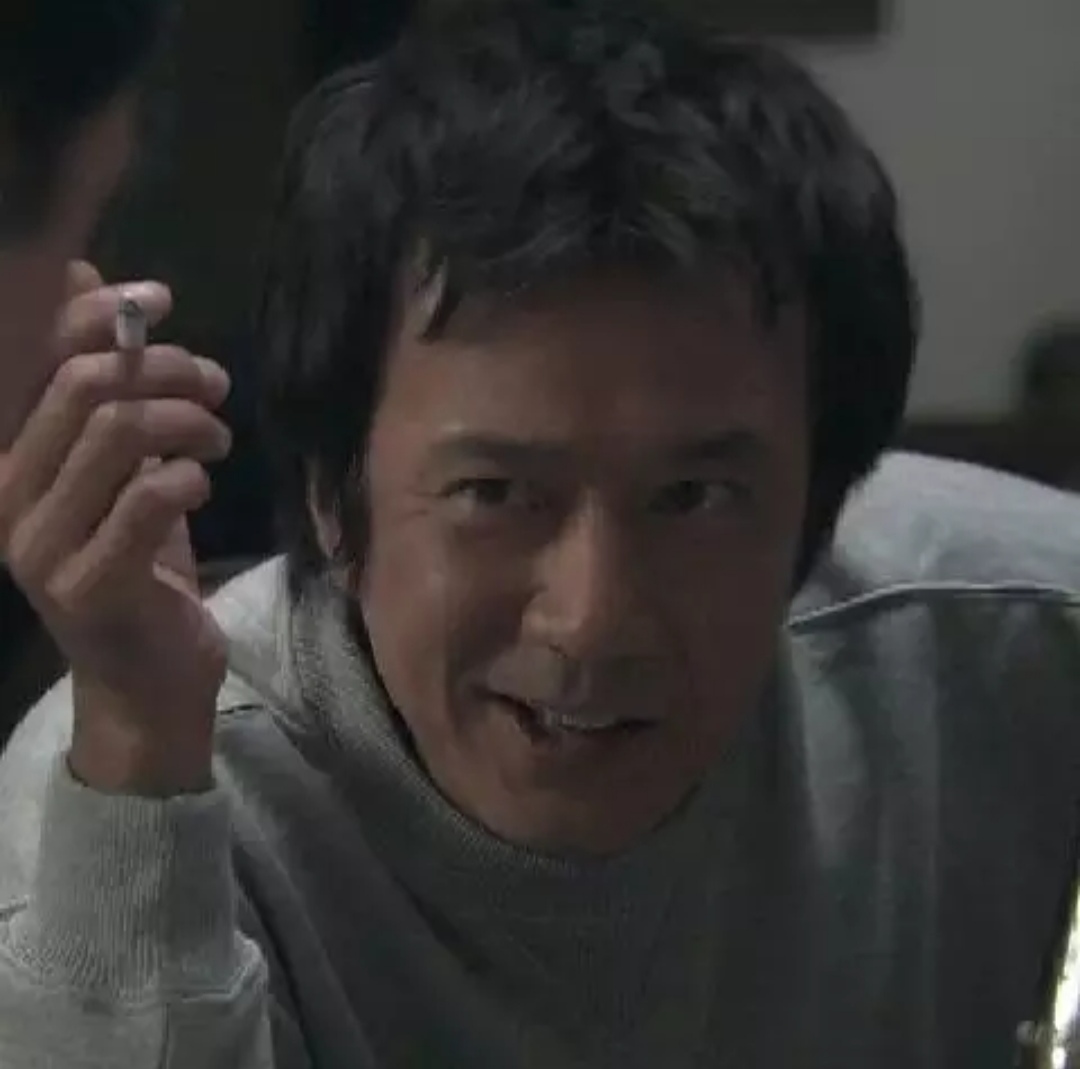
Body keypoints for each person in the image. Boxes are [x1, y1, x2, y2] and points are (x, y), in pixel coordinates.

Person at [2, 1, 1080, 1065]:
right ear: (334, 493)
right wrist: (140, 750)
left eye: (695, 497)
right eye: (495, 493)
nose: (593, 619)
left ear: (824, 491)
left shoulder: (1007, 640)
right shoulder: (131, 781)